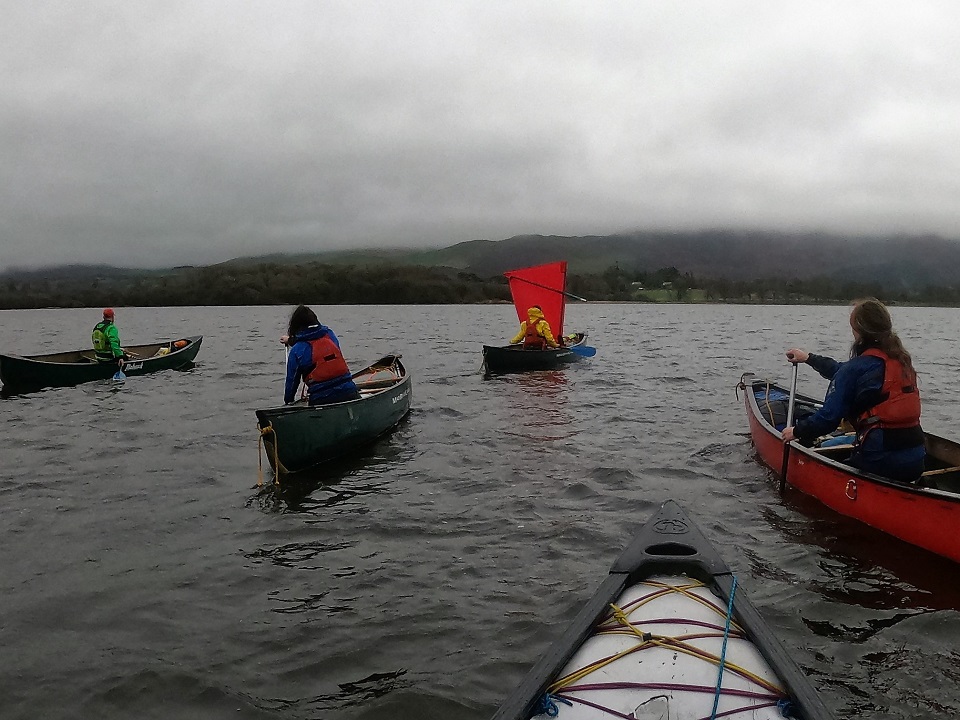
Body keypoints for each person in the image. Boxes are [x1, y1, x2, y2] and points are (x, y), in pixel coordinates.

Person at [781, 297, 925, 483]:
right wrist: (809, 358)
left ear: (857, 331)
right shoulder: (900, 361)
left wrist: (796, 431)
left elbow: (827, 420)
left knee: (827, 445)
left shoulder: (857, 368)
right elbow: (841, 370)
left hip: (880, 462)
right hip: (916, 460)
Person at [280, 305, 359, 406]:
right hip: (349, 391)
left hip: (321, 398)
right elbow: (313, 337)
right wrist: (292, 340)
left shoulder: (296, 350)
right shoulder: (330, 335)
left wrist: (288, 402)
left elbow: (291, 383)